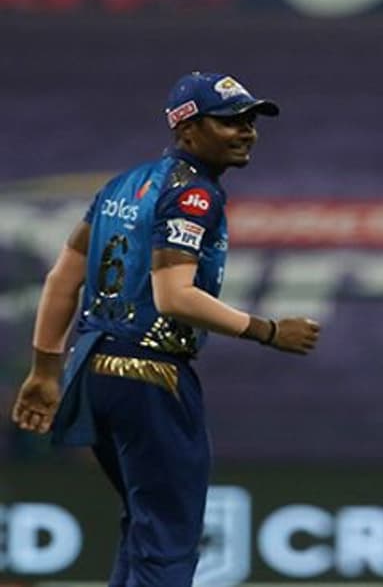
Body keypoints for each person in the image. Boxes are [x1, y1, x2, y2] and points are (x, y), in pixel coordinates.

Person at [10, 71, 322, 586]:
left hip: (93, 369)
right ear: (187, 129)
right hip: (150, 372)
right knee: (169, 539)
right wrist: (267, 331)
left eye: (249, 120)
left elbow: (62, 277)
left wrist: (45, 369)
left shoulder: (121, 185)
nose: (246, 131)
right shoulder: (194, 194)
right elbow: (173, 296)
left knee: (146, 526)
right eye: (229, 121)